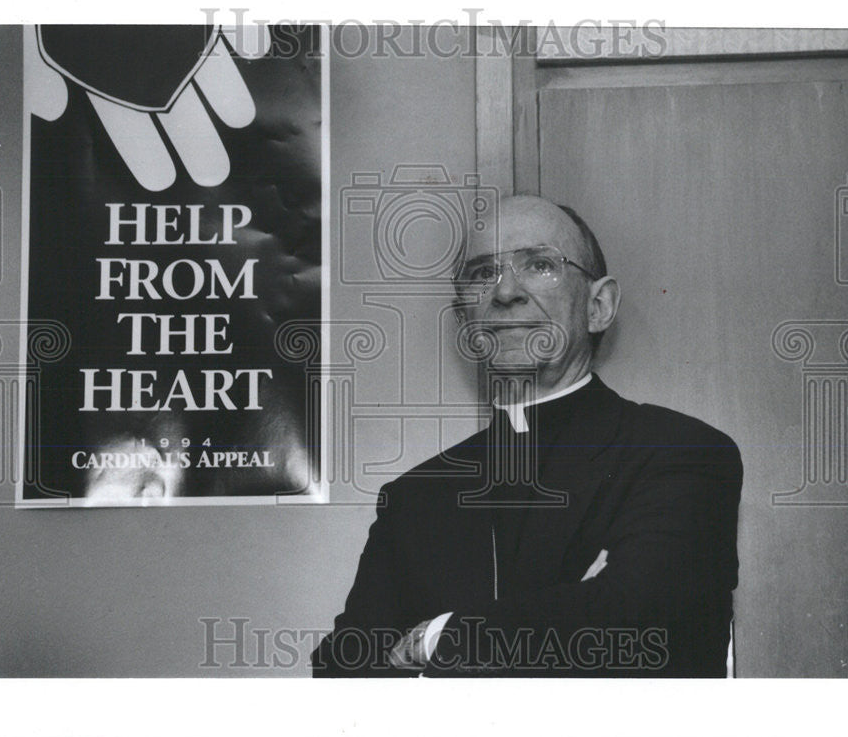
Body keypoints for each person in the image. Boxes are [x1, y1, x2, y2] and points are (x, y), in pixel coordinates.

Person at [312, 195, 742, 677]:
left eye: (539, 265)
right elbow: (341, 670)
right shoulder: (415, 498)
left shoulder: (680, 453)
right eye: (482, 273)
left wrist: (438, 638)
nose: (506, 291)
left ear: (598, 306)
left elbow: (639, 622)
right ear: (464, 324)